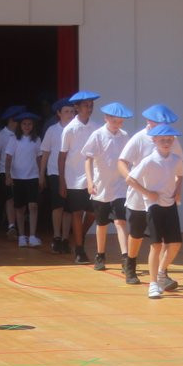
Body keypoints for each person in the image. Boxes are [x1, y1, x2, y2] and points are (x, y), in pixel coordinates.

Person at [117, 104, 183, 285]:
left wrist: (178, 190)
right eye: (159, 122)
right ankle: (130, 265)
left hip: (162, 197)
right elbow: (122, 162)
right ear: (149, 122)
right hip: (140, 194)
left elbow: (179, 168)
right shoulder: (139, 138)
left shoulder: (172, 139)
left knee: (164, 238)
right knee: (137, 233)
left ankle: (162, 272)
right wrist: (133, 181)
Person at [82, 102, 132, 271]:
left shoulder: (124, 136)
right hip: (101, 187)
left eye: (121, 122)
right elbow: (88, 159)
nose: (119, 125)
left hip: (119, 186)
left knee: (120, 221)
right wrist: (90, 182)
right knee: (102, 224)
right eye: (115, 121)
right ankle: (100, 254)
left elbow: (128, 158)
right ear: (107, 118)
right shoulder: (97, 135)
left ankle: (126, 257)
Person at [58, 91, 100, 263]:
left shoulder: (97, 127)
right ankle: (80, 249)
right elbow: (62, 156)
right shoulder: (69, 129)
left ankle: (78, 237)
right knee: (77, 212)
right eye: (85, 105)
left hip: (93, 176)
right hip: (74, 176)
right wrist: (62, 180)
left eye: (91, 105)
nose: (89, 108)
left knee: (93, 212)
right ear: (77, 107)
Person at [40, 98, 75, 254]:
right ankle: (56, 237)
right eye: (66, 111)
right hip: (54, 172)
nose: (70, 114)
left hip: (72, 174)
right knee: (57, 205)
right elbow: (45, 153)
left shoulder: (76, 129)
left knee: (69, 208)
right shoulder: (52, 130)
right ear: (59, 113)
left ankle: (66, 238)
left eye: (72, 111)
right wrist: (41, 174)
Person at [5, 112, 44, 247]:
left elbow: (39, 158)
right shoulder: (14, 139)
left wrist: (41, 176)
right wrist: (8, 175)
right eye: (24, 124)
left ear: (33, 126)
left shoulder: (37, 139)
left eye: (29, 124)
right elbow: (8, 158)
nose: (27, 126)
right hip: (17, 177)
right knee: (19, 208)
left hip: (33, 176)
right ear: (20, 125)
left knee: (33, 206)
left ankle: (32, 235)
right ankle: (22, 236)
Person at [0, 105, 25, 236]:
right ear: (11, 120)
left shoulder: (23, 135)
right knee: (10, 198)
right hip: (5, 171)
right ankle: (11, 225)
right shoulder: (1, 135)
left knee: (20, 199)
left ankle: (20, 226)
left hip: (22, 172)